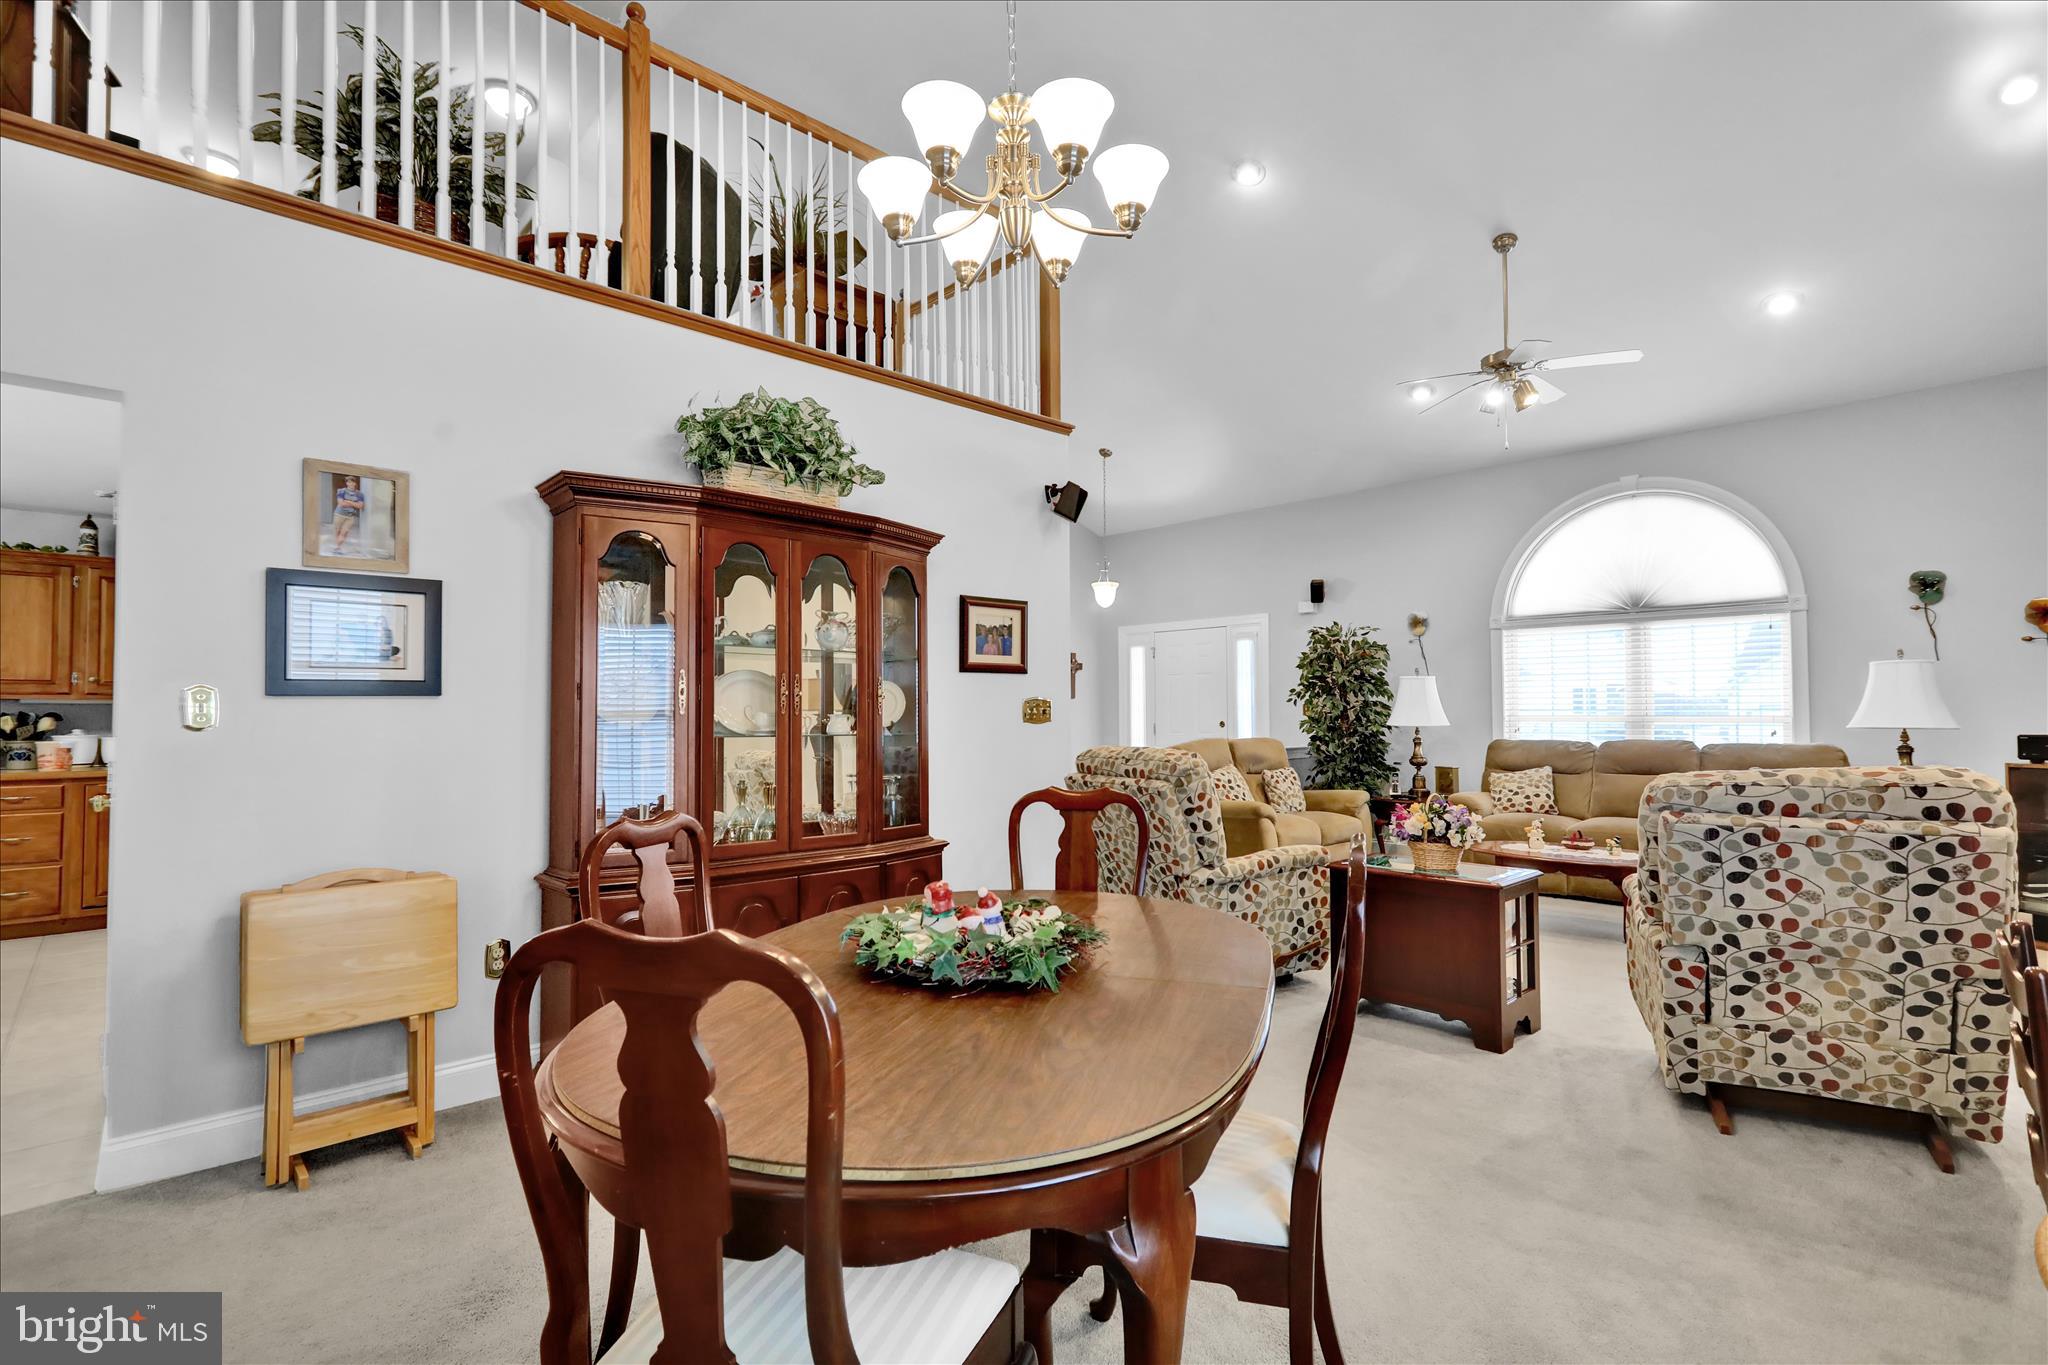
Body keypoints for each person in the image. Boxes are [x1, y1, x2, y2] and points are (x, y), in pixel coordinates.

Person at [331, 474, 367, 554]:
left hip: (350, 517)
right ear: (346, 483)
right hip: (339, 514)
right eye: (348, 482)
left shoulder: (359, 494)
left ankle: (337, 547)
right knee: (337, 531)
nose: (350, 484)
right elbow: (341, 504)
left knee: (344, 532)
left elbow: (360, 506)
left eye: (352, 482)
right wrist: (354, 503)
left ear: (355, 483)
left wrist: (348, 501)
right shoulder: (341, 491)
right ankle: (338, 547)